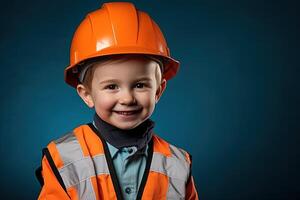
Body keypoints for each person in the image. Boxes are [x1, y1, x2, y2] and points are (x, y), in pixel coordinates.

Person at [36, 2, 199, 200]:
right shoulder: (62, 158)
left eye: (140, 85)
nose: (127, 99)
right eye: (112, 86)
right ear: (86, 94)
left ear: (158, 90)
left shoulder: (178, 164)